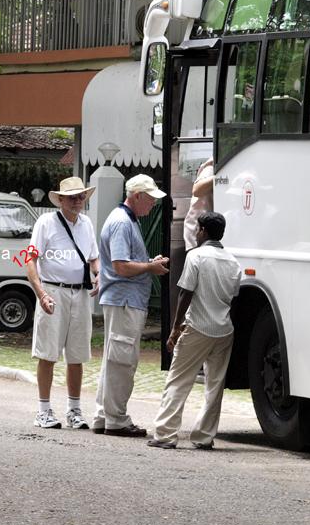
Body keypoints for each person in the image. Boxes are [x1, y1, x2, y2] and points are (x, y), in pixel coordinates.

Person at [148, 211, 242, 450]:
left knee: (178, 380)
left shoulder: (196, 256)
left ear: (203, 231)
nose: (196, 233)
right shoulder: (233, 261)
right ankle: (204, 436)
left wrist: (175, 329)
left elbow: (186, 292)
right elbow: (233, 297)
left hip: (198, 328)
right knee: (215, 384)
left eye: (198, 229)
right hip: (224, 331)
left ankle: (165, 434)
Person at [93, 175, 168, 437]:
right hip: (125, 300)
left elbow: (123, 262)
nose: (152, 205)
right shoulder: (122, 222)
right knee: (122, 361)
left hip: (123, 299)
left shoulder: (124, 220)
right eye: (150, 200)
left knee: (114, 359)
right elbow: (121, 265)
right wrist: (149, 266)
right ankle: (117, 419)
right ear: (136, 196)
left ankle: (105, 415)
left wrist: (147, 262)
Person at [26, 177, 100, 430]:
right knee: (47, 353)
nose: (78, 201)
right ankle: (43, 410)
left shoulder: (86, 223)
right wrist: (41, 293)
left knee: (77, 355)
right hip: (53, 291)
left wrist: (98, 274)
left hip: (79, 293)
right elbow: (30, 261)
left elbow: (93, 257)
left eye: (81, 196)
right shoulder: (46, 222)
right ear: (60, 200)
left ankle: (74, 410)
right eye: (72, 197)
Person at [183, 158, 214, 250]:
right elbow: (196, 190)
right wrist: (219, 176)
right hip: (197, 231)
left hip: (206, 231)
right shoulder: (210, 167)